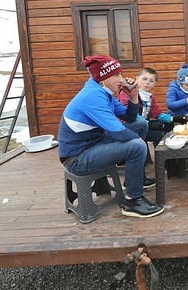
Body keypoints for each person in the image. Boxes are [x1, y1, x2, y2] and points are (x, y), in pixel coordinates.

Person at [57, 55, 164, 218]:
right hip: (77, 158)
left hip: (93, 143)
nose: (121, 79)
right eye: (116, 75)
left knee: (141, 125)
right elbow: (119, 133)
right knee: (136, 146)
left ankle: (134, 178)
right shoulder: (93, 97)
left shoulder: (102, 92)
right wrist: (136, 145)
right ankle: (132, 201)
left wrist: (133, 96)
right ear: (102, 78)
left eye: (120, 74)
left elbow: (130, 118)